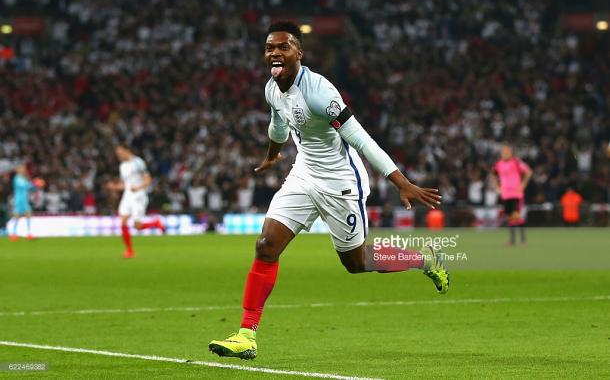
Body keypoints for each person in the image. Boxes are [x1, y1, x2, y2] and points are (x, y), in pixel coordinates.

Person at [209, 22, 447, 360]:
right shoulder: (272, 88)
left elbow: (360, 138)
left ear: (298, 53)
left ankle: (422, 258)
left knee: (356, 262)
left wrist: (401, 182)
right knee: (266, 246)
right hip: (304, 175)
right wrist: (272, 156)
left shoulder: (320, 92)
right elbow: (278, 124)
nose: (274, 52)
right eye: (269, 47)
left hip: (340, 182)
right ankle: (246, 334)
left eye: (283, 47)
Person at [106, 145, 165, 258]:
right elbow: (124, 184)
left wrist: (138, 188)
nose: (118, 155)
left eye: (120, 152)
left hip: (139, 195)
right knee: (123, 221)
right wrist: (114, 187)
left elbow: (148, 180)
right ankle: (129, 251)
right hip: (127, 195)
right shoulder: (122, 166)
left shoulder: (138, 162)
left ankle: (155, 223)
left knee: (137, 226)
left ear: (126, 150)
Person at [492, 145, 532, 245]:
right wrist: (497, 187)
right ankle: (512, 240)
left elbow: (528, 172)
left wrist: (523, 184)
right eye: (503, 152)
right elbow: (493, 174)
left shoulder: (516, 162)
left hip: (516, 194)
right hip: (505, 195)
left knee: (516, 216)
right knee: (510, 217)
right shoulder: (498, 164)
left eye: (507, 152)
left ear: (511, 153)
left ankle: (523, 240)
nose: (505, 154)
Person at [8, 164, 44, 241]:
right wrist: (35, 183)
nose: (23, 170)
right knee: (17, 216)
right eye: (21, 169)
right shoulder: (17, 178)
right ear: (18, 170)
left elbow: (28, 187)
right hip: (18, 200)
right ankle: (13, 234)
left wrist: (36, 185)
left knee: (28, 214)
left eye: (23, 169)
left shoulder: (23, 178)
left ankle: (29, 234)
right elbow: (24, 186)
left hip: (24, 200)